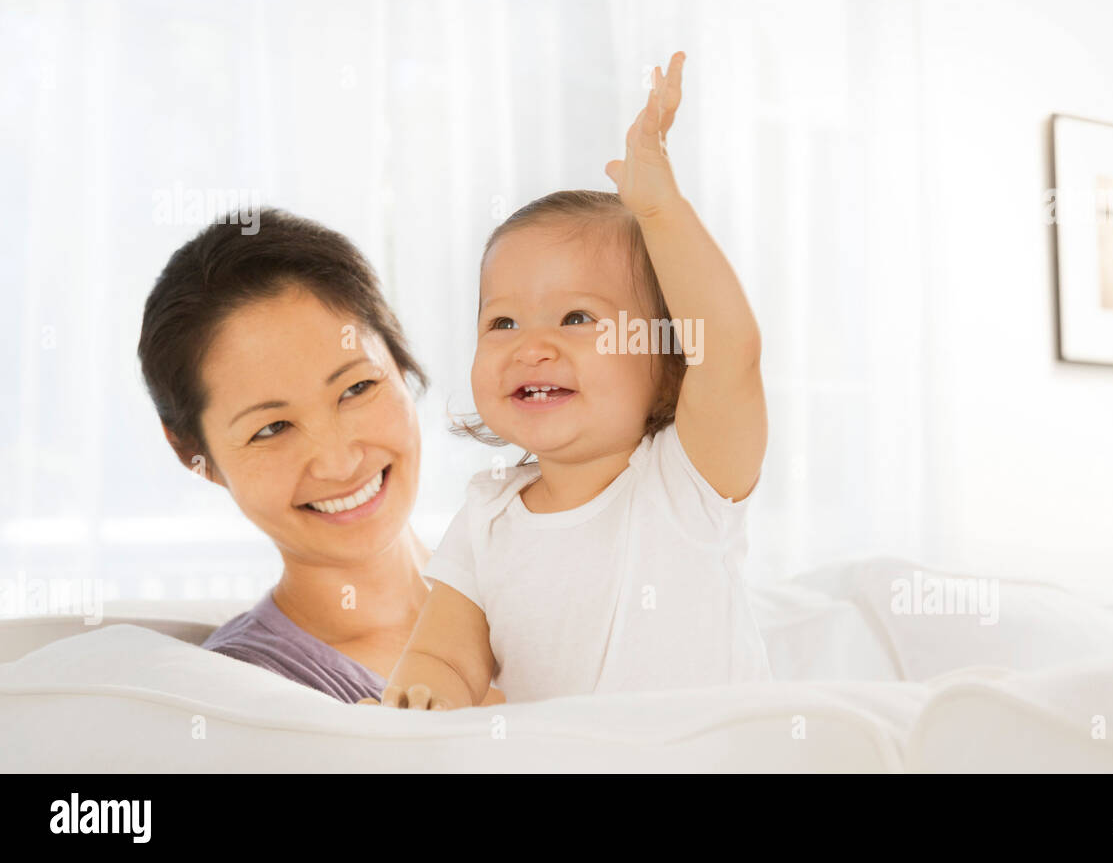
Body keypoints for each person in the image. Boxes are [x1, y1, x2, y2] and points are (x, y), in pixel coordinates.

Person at [376, 51, 771, 709]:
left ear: (667, 362)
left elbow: (731, 351)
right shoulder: (487, 518)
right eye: (502, 323)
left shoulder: (688, 483)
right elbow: (443, 655)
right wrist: (423, 701)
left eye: (576, 317)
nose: (533, 346)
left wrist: (661, 211)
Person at [137, 209, 504, 705]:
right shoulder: (242, 696)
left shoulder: (537, 582)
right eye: (271, 428)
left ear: (398, 359)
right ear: (193, 453)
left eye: (356, 387)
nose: (337, 462)